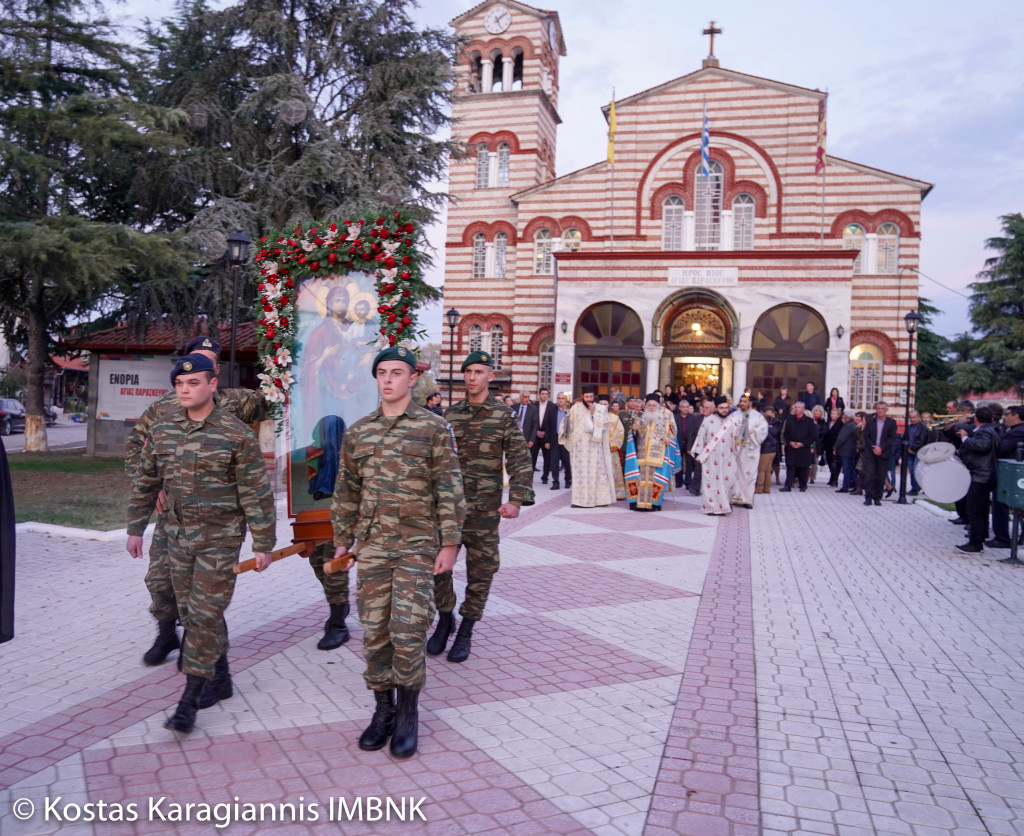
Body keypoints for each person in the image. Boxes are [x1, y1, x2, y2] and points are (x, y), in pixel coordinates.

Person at [127, 353, 276, 734]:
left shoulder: (235, 434)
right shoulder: (163, 430)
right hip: (178, 537)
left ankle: (189, 702)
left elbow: (256, 493)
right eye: (179, 384)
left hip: (220, 539)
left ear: (212, 385)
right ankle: (220, 677)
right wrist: (135, 527)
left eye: (193, 383)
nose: (185, 390)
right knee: (192, 615)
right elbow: (146, 480)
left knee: (205, 614)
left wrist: (263, 543)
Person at [331, 345, 466, 758]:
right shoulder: (359, 432)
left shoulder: (433, 428)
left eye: (397, 373)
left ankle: (408, 713)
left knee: (407, 631)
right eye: (382, 373)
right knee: (375, 632)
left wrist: (449, 543)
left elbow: (449, 488)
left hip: (416, 545)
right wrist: (342, 540)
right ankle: (383, 710)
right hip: (372, 546)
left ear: (413, 379)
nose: (388, 380)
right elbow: (347, 491)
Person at [428, 350, 534, 663]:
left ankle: (466, 629)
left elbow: (519, 458)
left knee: (482, 571)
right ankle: (445, 617)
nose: (472, 377)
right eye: (468, 372)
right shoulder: (450, 415)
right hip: (450, 510)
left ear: (490, 376)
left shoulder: (503, 416)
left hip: (485, 512)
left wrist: (516, 499)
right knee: (437, 567)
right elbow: (436, 460)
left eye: (478, 372)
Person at [558, 386, 617, 508]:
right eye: (587, 397)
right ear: (582, 396)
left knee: (597, 473)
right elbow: (567, 423)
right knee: (580, 474)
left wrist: (595, 414)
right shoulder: (575, 408)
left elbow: (606, 425)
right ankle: (580, 501)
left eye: (591, 397)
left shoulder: (600, 408)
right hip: (579, 447)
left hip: (595, 447)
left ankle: (599, 500)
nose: (589, 399)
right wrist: (565, 431)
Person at [624, 394, 682, 511]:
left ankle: (654, 504)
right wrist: (634, 431)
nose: (651, 407)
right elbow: (632, 438)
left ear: (658, 406)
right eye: (649, 405)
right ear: (645, 406)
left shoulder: (666, 422)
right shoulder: (640, 420)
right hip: (641, 458)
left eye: (653, 405)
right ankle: (637, 503)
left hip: (657, 458)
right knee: (639, 479)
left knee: (655, 480)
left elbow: (673, 438)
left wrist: (668, 440)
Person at [955, 405, 999, 554]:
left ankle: (975, 543)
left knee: (973, 509)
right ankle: (980, 537)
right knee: (982, 509)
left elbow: (983, 445)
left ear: (975, 418)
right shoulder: (990, 430)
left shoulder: (985, 431)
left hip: (981, 475)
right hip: (985, 473)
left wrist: (965, 438)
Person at [690, 396, 737, 515]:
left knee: (727, 482)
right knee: (710, 483)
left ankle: (725, 505)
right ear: (716, 409)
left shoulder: (733, 421)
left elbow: (738, 440)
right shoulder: (708, 420)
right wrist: (698, 452)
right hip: (711, 459)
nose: (724, 410)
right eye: (721, 408)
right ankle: (710, 507)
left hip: (728, 458)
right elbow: (700, 437)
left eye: (726, 408)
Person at [990, 405, 1024, 550]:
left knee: (1001, 505)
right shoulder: (1012, 430)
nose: (1005, 417)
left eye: (1007, 414)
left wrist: (994, 436)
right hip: (1008, 472)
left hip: (1009, 474)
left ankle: (1002, 538)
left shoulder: (1018, 431)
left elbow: (1001, 449)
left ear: (1016, 416)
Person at [731, 395, 769, 508]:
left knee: (749, 474)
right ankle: (735, 497)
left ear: (751, 403)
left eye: (745, 401)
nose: (742, 403)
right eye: (741, 401)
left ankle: (747, 500)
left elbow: (763, 431)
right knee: (735, 473)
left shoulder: (758, 417)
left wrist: (750, 431)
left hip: (751, 449)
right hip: (736, 449)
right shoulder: (734, 415)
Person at [861, 401, 898, 506]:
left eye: (882, 409)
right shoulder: (871, 422)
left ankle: (877, 497)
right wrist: (873, 447)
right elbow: (866, 436)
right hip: (871, 452)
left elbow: (892, 438)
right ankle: (868, 497)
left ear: (886, 410)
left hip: (883, 452)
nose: (880, 411)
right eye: (878, 408)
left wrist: (881, 447)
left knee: (881, 476)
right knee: (869, 475)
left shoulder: (891, 423)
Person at [779, 401, 817, 492]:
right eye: (795, 407)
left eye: (799, 407)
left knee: (803, 468)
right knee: (790, 467)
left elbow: (813, 436)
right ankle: (788, 486)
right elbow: (786, 433)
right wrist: (789, 442)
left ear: (803, 409)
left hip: (804, 448)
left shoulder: (809, 421)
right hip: (791, 447)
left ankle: (803, 485)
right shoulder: (789, 419)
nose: (797, 409)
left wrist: (802, 444)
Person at [600, 395, 628, 500]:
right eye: (601, 404)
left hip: (610, 449)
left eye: (605, 404)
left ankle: (615, 493)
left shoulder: (614, 418)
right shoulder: (592, 417)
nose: (603, 406)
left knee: (612, 471)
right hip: (596, 449)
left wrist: (610, 440)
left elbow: (620, 432)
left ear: (609, 406)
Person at [686, 399, 711, 495]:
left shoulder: (715, 419)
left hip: (711, 448)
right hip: (699, 448)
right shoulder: (697, 418)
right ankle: (696, 488)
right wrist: (689, 447)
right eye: (703, 407)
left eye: (706, 408)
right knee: (697, 469)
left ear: (712, 409)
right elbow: (691, 433)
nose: (704, 409)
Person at [548, 392, 572, 490]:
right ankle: (555, 482)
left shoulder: (570, 411)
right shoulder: (552, 411)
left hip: (566, 440)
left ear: (565, 400)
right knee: (554, 463)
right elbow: (548, 426)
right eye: (559, 398)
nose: (561, 400)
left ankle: (567, 480)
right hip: (554, 439)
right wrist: (547, 441)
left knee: (567, 462)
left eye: (563, 398)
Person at [834, 409, 859, 493]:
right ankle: (857, 485)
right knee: (850, 468)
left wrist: (836, 447)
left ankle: (846, 486)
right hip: (849, 450)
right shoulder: (852, 424)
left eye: (844, 415)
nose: (842, 417)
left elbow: (841, 438)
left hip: (847, 450)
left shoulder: (849, 425)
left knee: (847, 469)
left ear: (847, 417)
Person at [756, 406, 780, 495]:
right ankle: (767, 488)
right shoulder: (772, 428)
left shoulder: (765, 429)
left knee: (761, 469)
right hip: (772, 450)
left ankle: (759, 487)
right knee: (768, 469)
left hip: (765, 450)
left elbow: (763, 440)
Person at [904, 409, 928, 496]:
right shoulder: (909, 427)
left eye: (914, 417)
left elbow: (921, 440)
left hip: (918, 451)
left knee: (915, 469)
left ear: (918, 417)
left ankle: (916, 488)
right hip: (909, 451)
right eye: (911, 417)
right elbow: (905, 438)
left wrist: (912, 448)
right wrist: (907, 447)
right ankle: (914, 488)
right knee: (911, 470)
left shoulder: (923, 427)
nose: (912, 419)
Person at [533, 387, 555, 483]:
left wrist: (546, 432)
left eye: (546, 394)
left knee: (547, 458)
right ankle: (530, 477)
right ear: (539, 395)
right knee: (533, 457)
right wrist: (536, 431)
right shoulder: (534, 405)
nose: (544, 396)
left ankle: (545, 477)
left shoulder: (552, 406)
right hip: (535, 435)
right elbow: (532, 421)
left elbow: (553, 422)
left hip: (547, 436)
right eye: (543, 394)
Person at [824, 407, 843, 487]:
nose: (832, 415)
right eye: (832, 413)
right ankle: (832, 477)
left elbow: (839, 436)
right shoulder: (828, 422)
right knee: (829, 461)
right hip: (827, 445)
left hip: (835, 446)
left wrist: (835, 446)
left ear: (838, 415)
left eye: (834, 414)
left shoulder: (840, 424)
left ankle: (834, 479)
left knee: (834, 463)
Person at [809, 404, 828, 484]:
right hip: (809, 443)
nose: (817, 412)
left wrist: (816, 433)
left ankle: (812, 477)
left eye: (819, 411)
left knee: (814, 461)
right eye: (816, 410)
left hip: (817, 444)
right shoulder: (809, 420)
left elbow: (825, 432)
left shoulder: (823, 423)